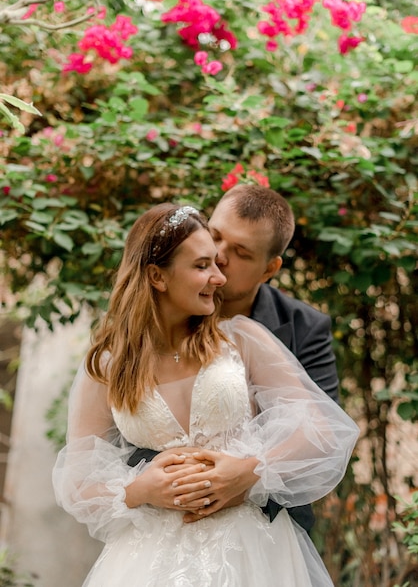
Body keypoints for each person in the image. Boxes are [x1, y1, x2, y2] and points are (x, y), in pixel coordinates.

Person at [53, 202, 359, 586]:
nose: (219, 275)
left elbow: (321, 430)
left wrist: (250, 470)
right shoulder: (109, 364)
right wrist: (139, 488)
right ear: (157, 277)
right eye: (204, 264)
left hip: (252, 549)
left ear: (269, 268)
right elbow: (77, 481)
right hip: (150, 556)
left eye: (225, 260)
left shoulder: (243, 338)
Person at [129, 184, 340, 530]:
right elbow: (119, 439)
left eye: (241, 252)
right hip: (160, 524)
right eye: (215, 236)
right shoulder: (148, 320)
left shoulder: (303, 328)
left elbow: (322, 438)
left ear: (270, 269)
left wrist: (248, 477)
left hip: (264, 526)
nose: (220, 255)